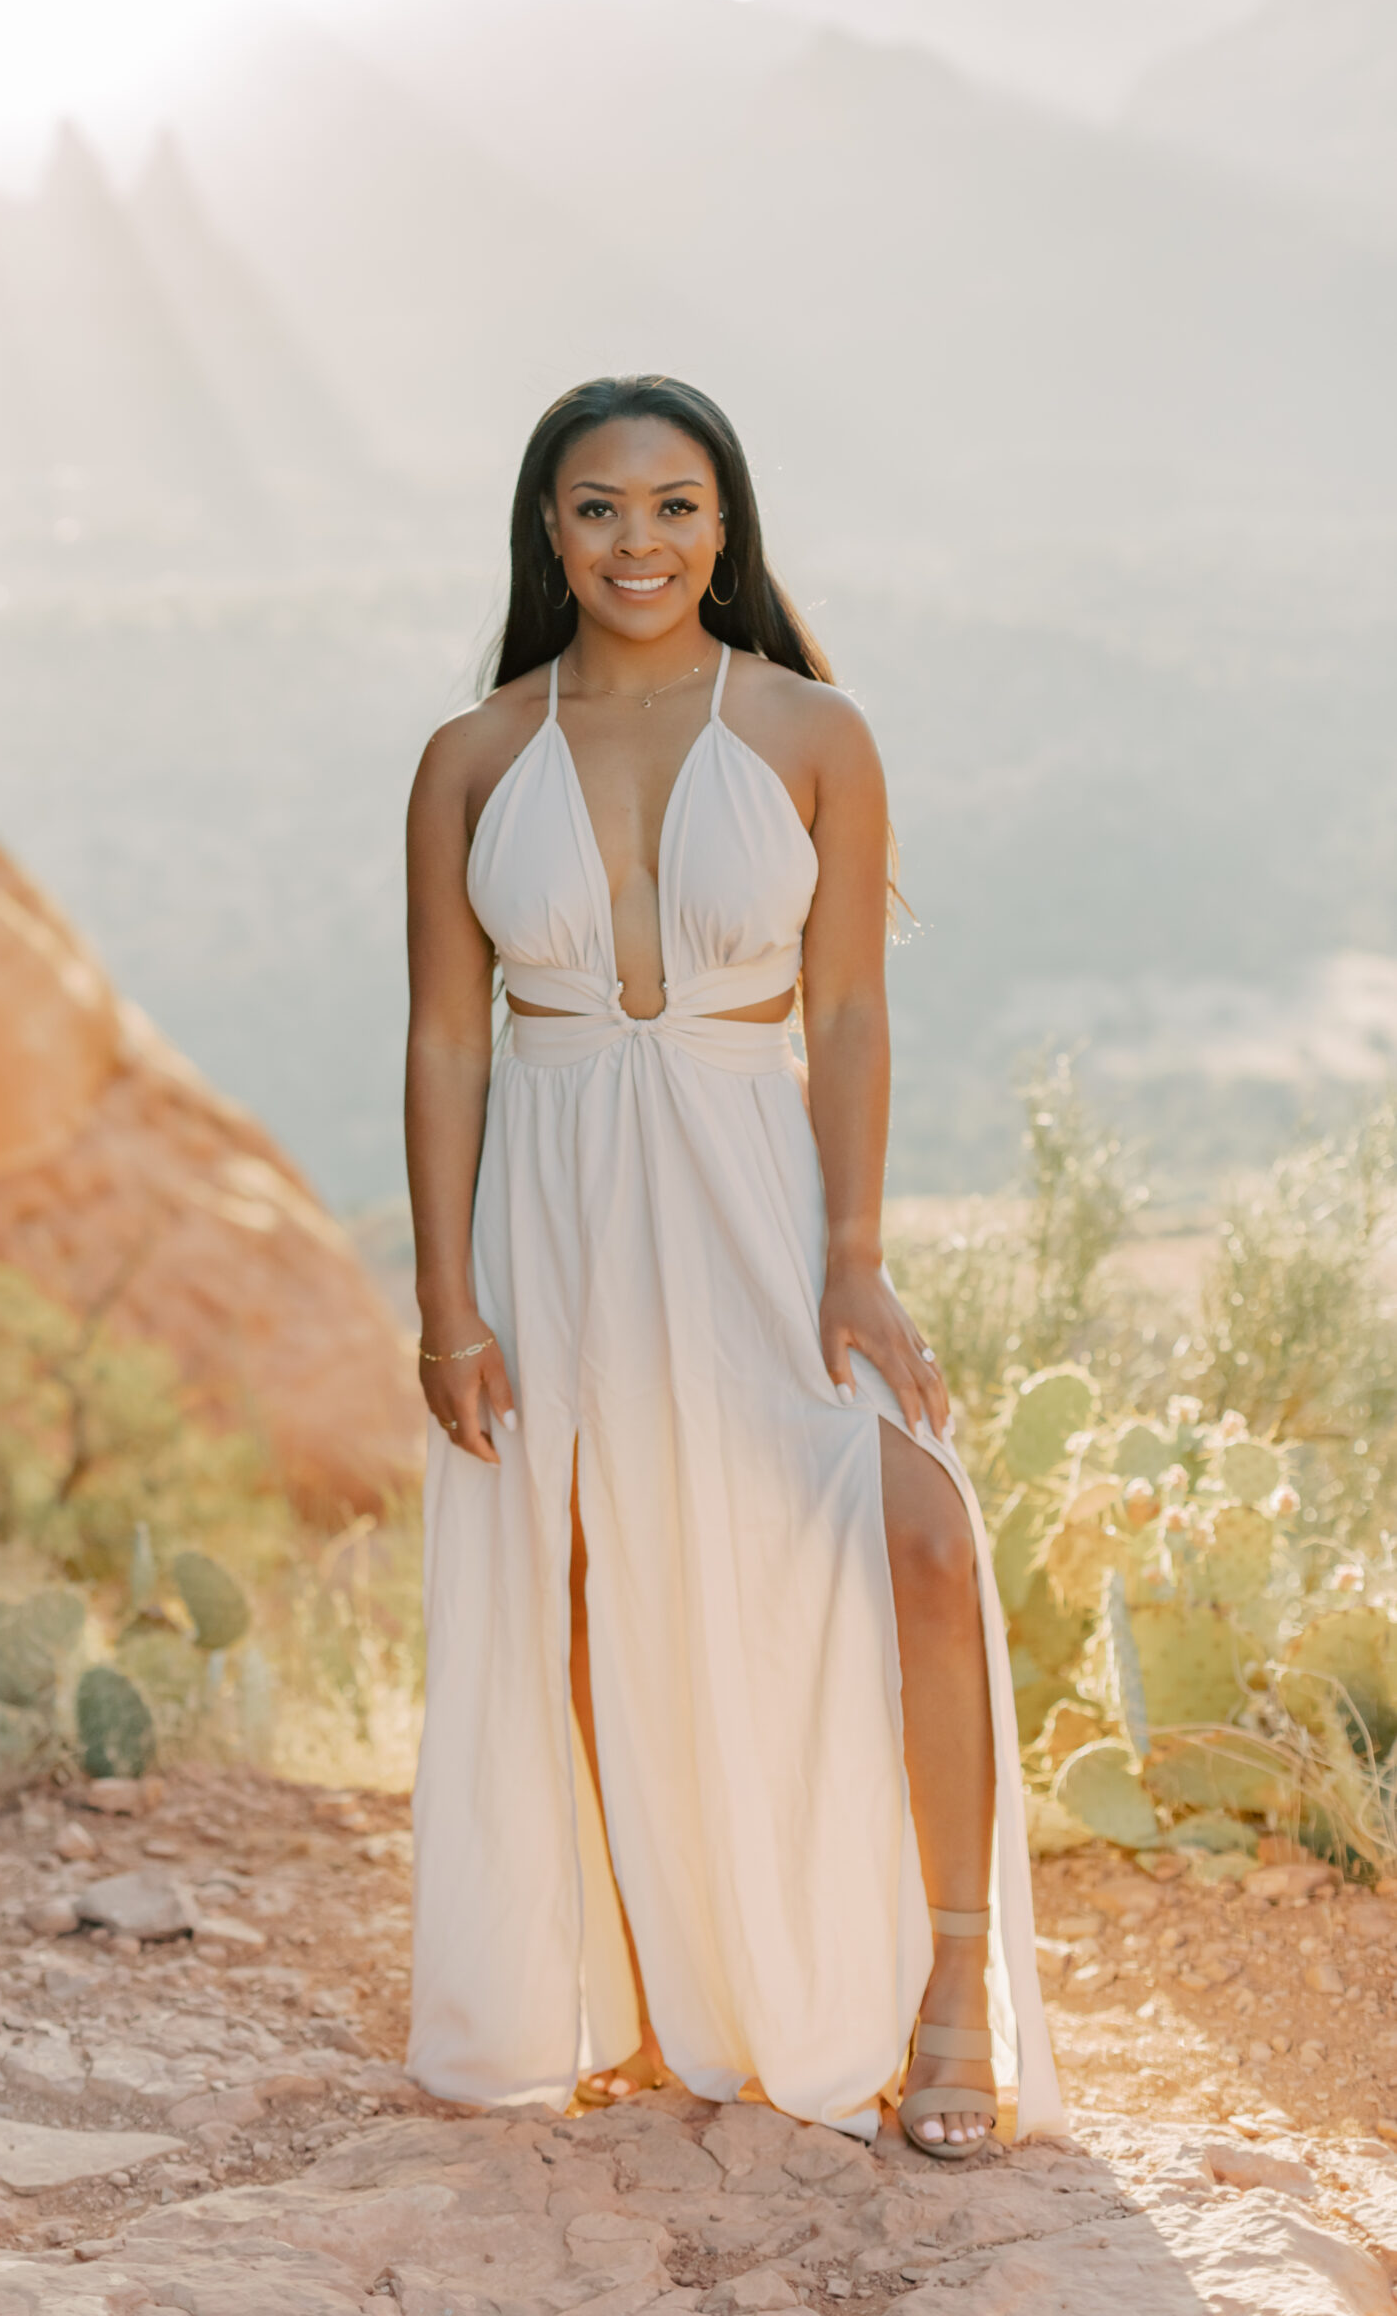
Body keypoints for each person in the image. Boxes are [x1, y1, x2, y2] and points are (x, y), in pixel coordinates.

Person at [402, 374, 1061, 2154]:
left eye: (676, 506)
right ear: (548, 527)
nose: (640, 542)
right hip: (552, 1204)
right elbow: (446, 1042)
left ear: (727, 524)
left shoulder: (810, 730)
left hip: (754, 1190)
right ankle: (635, 1995)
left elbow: (845, 1010)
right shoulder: (471, 758)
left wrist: (855, 1258)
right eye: (601, 507)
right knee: (590, 1587)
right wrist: (444, 1298)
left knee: (916, 1530)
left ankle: (947, 1994)